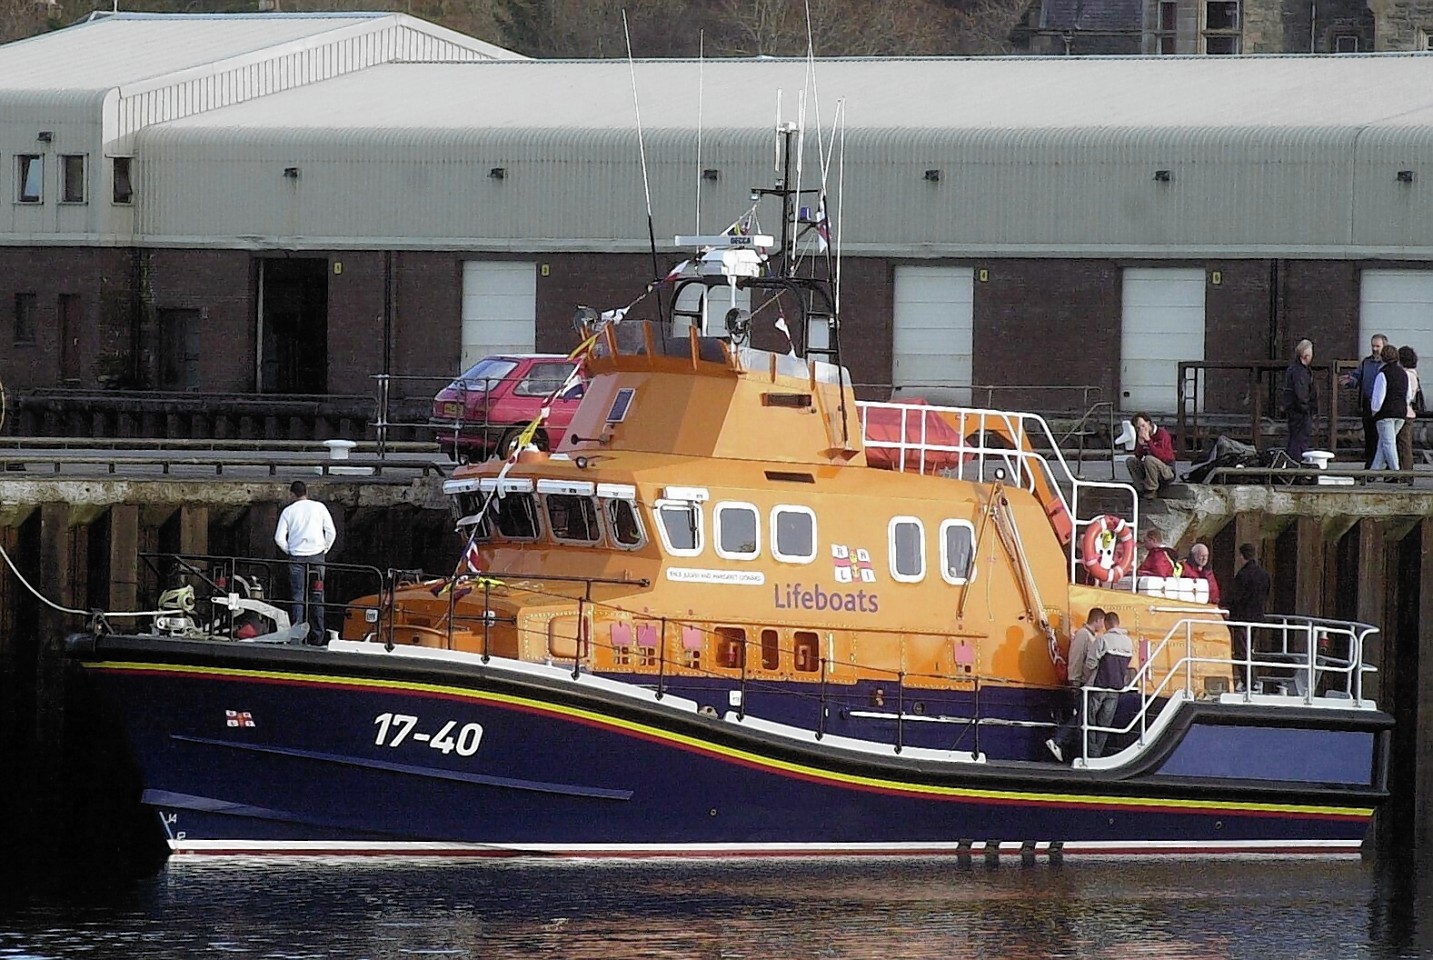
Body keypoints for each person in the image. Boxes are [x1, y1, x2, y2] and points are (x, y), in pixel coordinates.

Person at [274, 480, 337, 643]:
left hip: (296, 558)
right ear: (306, 492)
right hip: (317, 557)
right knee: (317, 596)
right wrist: (324, 548)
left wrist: (290, 550)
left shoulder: (288, 511)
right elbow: (331, 531)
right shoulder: (319, 507)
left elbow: (278, 538)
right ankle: (318, 636)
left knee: (297, 597)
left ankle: (296, 636)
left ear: (292, 494)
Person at [1046, 608, 1106, 763]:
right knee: (1082, 717)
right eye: (1102, 622)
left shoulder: (1087, 636)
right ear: (1098, 620)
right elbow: (1077, 659)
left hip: (1080, 682)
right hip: (1079, 682)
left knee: (1081, 717)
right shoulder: (1084, 636)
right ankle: (1058, 740)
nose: (1103, 625)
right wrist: (1077, 680)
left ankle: (1066, 745)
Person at [1083, 610, 1134, 759]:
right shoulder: (1128, 642)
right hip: (1116, 688)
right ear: (1118, 623)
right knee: (1104, 725)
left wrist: (1087, 677)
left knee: (1089, 721)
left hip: (1099, 686)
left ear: (1106, 623)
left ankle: (1091, 754)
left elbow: (1090, 663)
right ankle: (1097, 755)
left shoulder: (1102, 640)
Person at [1225, 543, 1270, 681]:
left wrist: (1225, 606)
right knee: (1249, 649)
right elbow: (1266, 594)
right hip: (1257, 617)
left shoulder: (1243, 575)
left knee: (1241, 651)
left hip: (1242, 618)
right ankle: (1252, 680)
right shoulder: (1264, 574)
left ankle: (1248, 681)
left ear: (1241, 556)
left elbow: (1236, 596)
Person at [1342, 333, 1388, 469]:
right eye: (1373, 346)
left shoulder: (1387, 364)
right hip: (1368, 404)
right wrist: (1350, 381)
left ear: (1384, 347)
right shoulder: (1366, 362)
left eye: (1377, 346)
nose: (1374, 349)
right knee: (1370, 437)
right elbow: (1357, 377)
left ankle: (1388, 468)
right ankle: (1370, 466)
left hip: (1383, 405)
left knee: (1384, 438)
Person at [1369, 343, 1408, 474]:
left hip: (1386, 414)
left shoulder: (1383, 374)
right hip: (1401, 413)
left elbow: (1378, 396)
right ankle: (1372, 473)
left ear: (1383, 357)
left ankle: (1396, 472)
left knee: (1388, 444)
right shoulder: (1403, 373)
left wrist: (1374, 411)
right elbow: (1408, 395)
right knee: (1384, 443)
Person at [1282, 338, 1317, 465]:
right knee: (1300, 441)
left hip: (1294, 411)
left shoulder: (1293, 369)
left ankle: (1292, 465)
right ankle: (1295, 465)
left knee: (1295, 439)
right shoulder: (1300, 372)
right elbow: (1301, 393)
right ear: (1306, 354)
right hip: (1300, 413)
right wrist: (1307, 409)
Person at [1125, 413, 1175, 495]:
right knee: (1131, 461)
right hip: (1150, 469)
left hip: (1166, 469)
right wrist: (1140, 444)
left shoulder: (1162, 434)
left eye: (1143, 426)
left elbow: (1161, 456)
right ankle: (1140, 487)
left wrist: (1149, 441)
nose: (1141, 429)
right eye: (1138, 428)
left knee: (1149, 459)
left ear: (1148, 423)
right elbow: (1138, 456)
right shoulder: (1142, 435)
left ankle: (1151, 489)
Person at [1397, 346, 1421, 481]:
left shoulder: (1406, 375)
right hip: (1409, 412)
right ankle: (1406, 472)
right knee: (1404, 443)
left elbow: (1407, 395)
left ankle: (1406, 473)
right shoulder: (1414, 374)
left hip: (1405, 412)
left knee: (1404, 443)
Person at [1181, 542, 1221, 607]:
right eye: (1202, 556)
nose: (1204, 558)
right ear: (1194, 555)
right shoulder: (1184, 568)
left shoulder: (1208, 572)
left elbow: (1214, 592)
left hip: (1209, 606)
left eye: (1206, 556)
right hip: (1190, 605)